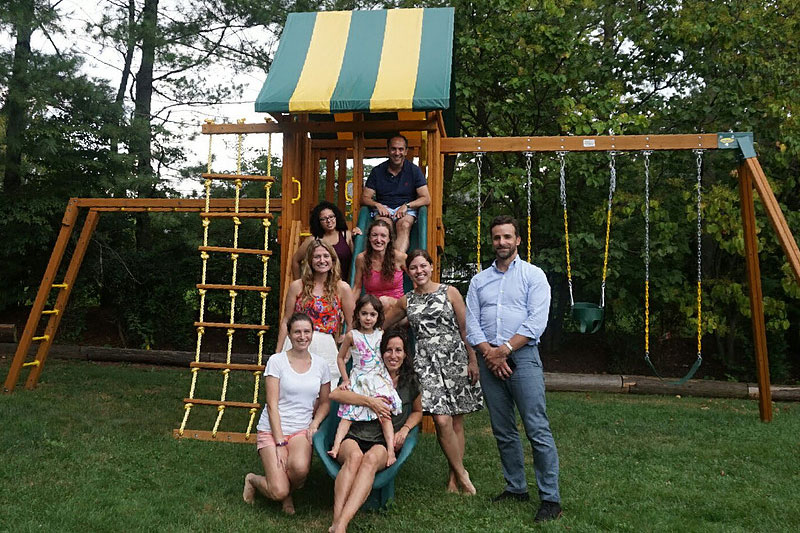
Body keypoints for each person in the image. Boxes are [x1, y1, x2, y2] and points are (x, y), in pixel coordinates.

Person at [465, 215, 563, 523]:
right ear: (492, 241)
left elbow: (536, 321)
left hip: (523, 359)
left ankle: (550, 498)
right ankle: (516, 487)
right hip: (489, 360)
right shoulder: (480, 280)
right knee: (503, 430)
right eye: (497, 238)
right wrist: (489, 354)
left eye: (507, 237)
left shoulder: (533, 276)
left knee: (536, 428)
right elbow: (471, 322)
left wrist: (504, 351)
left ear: (518, 240)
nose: (502, 242)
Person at [385, 249, 483, 494]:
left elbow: (465, 329)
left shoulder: (450, 292)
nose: (419, 271)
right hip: (426, 362)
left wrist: (472, 361)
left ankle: (453, 477)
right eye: (414, 268)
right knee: (441, 420)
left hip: (455, 358)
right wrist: (356, 333)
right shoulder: (406, 301)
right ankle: (463, 473)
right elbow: (384, 323)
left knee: (456, 420)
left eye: (423, 266)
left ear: (431, 266)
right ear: (408, 272)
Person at [328, 330, 423, 533]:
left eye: (398, 350)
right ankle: (337, 521)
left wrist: (405, 429)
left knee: (370, 460)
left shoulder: (410, 381)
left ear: (406, 354)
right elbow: (335, 394)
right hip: (354, 434)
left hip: (382, 442)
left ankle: (341, 524)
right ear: (381, 352)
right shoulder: (365, 375)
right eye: (388, 350)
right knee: (354, 457)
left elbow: (417, 412)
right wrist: (369, 401)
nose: (393, 355)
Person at [243, 312, 331, 515]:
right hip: (273, 429)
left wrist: (314, 423)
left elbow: (325, 402)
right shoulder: (277, 361)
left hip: (301, 430)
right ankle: (254, 480)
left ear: (312, 333)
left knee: (299, 470)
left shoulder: (321, 365)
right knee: (278, 491)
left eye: (307, 332)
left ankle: (286, 487)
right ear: (289, 335)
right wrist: (280, 443)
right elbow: (272, 405)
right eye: (297, 332)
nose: (302, 336)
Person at [329, 294, 402, 466]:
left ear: (378, 317)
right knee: (348, 415)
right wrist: (345, 379)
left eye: (372, 314)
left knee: (385, 416)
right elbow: (340, 358)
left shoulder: (381, 334)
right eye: (364, 313)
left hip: (377, 377)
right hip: (359, 378)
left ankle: (391, 452)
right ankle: (336, 446)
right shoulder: (352, 336)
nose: (368, 318)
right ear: (357, 315)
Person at [278, 239, 354, 384]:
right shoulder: (297, 286)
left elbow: (351, 324)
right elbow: (286, 320)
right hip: (296, 342)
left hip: (325, 345)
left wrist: (346, 351)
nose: (322, 260)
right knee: (292, 387)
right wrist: (278, 352)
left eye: (326, 256)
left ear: (332, 260)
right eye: (317, 257)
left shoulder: (342, 288)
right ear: (310, 261)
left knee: (323, 393)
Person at [361, 134, 431, 252]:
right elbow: (365, 198)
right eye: (393, 149)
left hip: (406, 209)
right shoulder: (377, 171)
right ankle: (382, 262)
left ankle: (396, 265)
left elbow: (426, 198)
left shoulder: (414, 171)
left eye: (400, 149)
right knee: (383, 228)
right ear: (388, 150)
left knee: (404, 225)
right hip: (384, 208)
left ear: (405, 151)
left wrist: (407, 206)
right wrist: (377, 205)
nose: (397, 153)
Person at [291, 201, 360, 282]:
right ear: (318, 222)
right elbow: (295, 260)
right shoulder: (313, 240)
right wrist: (299, 284)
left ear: (336, 217)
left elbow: (357, 260)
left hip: (343, 287)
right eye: (324, 219)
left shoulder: (347, 236)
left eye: (331, 217)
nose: (329, 221)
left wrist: (359, 234)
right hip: (319, 287)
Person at [351, 219, 407, 316]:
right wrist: (349, 307)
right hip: (372, 309)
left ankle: (377, 330)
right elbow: (357, 287)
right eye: (374, 235)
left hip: (396, 308)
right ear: (369, 237)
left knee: (383, 301)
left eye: (383, 236)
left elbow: (416, 279)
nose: (379, 240)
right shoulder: (361, 259)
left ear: (389, 239)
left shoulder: (400, 257)